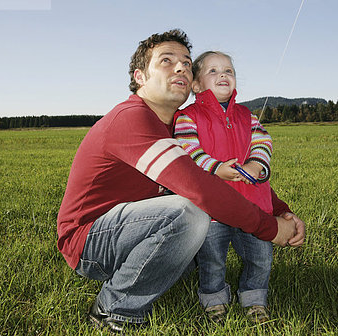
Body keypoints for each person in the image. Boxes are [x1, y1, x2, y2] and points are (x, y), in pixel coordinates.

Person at [56, 29, 305, 333]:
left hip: (133, 229)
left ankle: (150, 276)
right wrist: (270, 228)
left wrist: (278, 210)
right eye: (166, 61)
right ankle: (114, 309)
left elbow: (228, 176)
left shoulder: (175, 125)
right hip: (89, 241)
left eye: (187, 63)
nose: (180, 68)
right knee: (189, 215)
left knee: (193, 234)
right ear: (140, 77)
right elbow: (200, 188)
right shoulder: (132, 118)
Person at [174, 51, 276, 324]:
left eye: (228, 71)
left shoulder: (247, 115)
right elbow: (188, 150)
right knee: (212, 260)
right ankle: (214, 300)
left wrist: (256, 166)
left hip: (252, 206)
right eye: (213, 71)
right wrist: (216, 168)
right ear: (195, 85)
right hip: (211, 209)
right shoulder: (187, 117)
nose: (223, 75)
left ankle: (254, 299)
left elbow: (263, 143)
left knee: (260, 257)